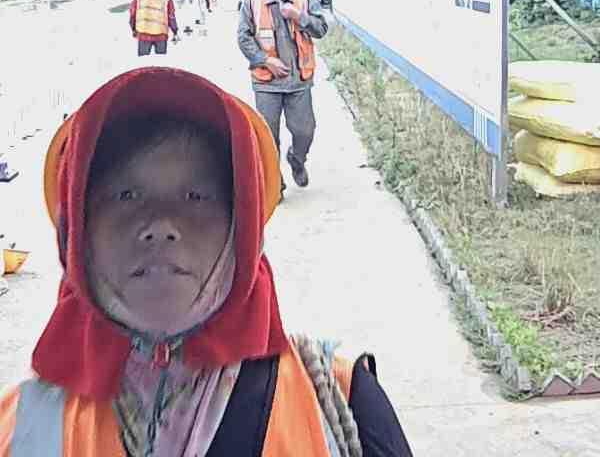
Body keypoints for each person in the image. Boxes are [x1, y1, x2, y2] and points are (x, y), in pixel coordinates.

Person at [0, 66, 413, 455]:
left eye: (195, 196)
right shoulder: (20, 426)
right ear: (77, 234)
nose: (160, 225)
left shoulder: (342, 400)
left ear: (242, 231)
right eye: (126, 195)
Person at [237, 0, 328, 198]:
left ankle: (297, 159)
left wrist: (299, 16)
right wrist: (265, 60)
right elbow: (243, 38)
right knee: (268, 137)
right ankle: (274, 184)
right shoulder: (252, 0)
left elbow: (322, 28)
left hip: (298, 81)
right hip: (267, 83)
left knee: (305, 131)